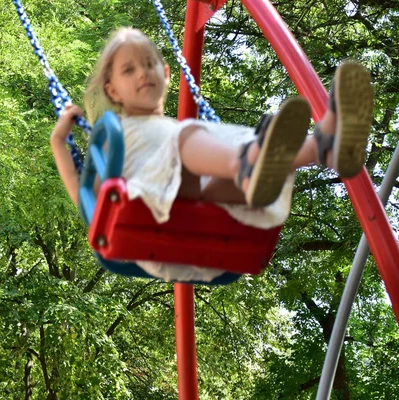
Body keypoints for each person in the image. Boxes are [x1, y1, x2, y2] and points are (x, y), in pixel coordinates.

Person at [50, 27, 374, 282]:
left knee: (217, 159)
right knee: (188, 135)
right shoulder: (117, 134)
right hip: (150, 223)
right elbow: (85, 197)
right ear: (112, 90)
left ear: (165, 73)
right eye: (129, 69)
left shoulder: (169, 133)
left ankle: (320, 147)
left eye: (149, 64)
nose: (142, 73)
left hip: (205, 235)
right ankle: (246, 161)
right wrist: (58, 142)